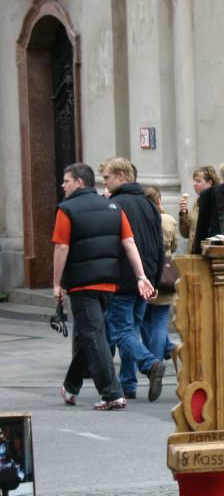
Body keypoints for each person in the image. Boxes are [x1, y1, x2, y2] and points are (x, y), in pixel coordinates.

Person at [52, 163, 155, 410]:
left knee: (93, 335)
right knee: (93, 333)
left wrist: (56, 283)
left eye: (66, 181)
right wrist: (141, 276)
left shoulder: (66, 210)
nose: (62, 186)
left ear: (79, 182)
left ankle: (111, 394)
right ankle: (71, 386)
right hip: (110, 282)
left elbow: (61, 247)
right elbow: (129, 243)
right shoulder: (113, 207)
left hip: (82, 284)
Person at [102, 157, 167, 401]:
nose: (105, 184)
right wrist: (155, 280)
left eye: (107, 178)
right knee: (133, 329)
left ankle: (150, 365)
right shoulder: (148, 204)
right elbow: (158, 245)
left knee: (122, 332)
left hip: (123, 278)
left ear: (121, 175)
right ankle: (127, 384)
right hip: (146, 277)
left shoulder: (116, 204)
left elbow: (112, 244)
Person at [141, 186, 179, 372]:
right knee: (159, 321)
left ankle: (154, 360)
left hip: (144, 273)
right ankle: (159, 357)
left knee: (144, 319)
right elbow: (175, 244)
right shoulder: (168, 220)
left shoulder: (140, 220)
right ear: (159, 201)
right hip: (165, 274)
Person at [178, 165, 219, 251]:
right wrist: (183, 214)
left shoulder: (216, 203)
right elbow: (186, 234)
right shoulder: (197, 203)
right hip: (194, 254)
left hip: (207, 254)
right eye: (194, 181)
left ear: (209, 183)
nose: (194, 184)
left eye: (198, 181)